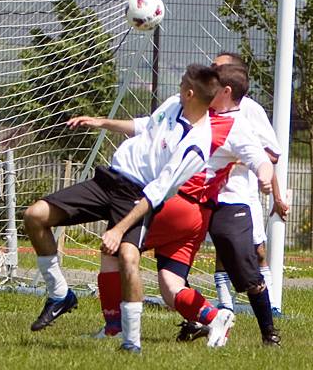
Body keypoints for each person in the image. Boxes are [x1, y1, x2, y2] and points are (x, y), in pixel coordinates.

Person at [69, 64, 273, 350]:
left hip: (172, 203)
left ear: (224, 92)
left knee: (114, 251)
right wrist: (104, 122)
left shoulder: (209, 120)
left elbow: (261, 159)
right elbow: (146, 125)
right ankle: (214, 317)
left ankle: (114, 327)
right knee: (170, 285)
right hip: (196, 218)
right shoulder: (205, 115)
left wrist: (264, 176)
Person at [24, 64, 222, 353]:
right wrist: (101, 122)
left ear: (190, 93)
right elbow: (145, 125)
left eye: (181, 84)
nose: (177, 87)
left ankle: (131, 344)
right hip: (109, 180)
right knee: (35, 216)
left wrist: (118, 229)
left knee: (128, 258)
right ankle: (59, 295)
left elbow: (158, 192)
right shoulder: (173, 104)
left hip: (137, 196)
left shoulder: (197, 146)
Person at [209, 52, 289, 317]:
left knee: (257, 250)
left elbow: (273, 154)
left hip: (242, 192)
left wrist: (241, 156)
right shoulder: (203, 104)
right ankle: (224, 305)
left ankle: (272, 305)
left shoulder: (250, 109)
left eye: (217, 67)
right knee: (223, 247)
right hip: (210, 190)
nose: (212, 70)